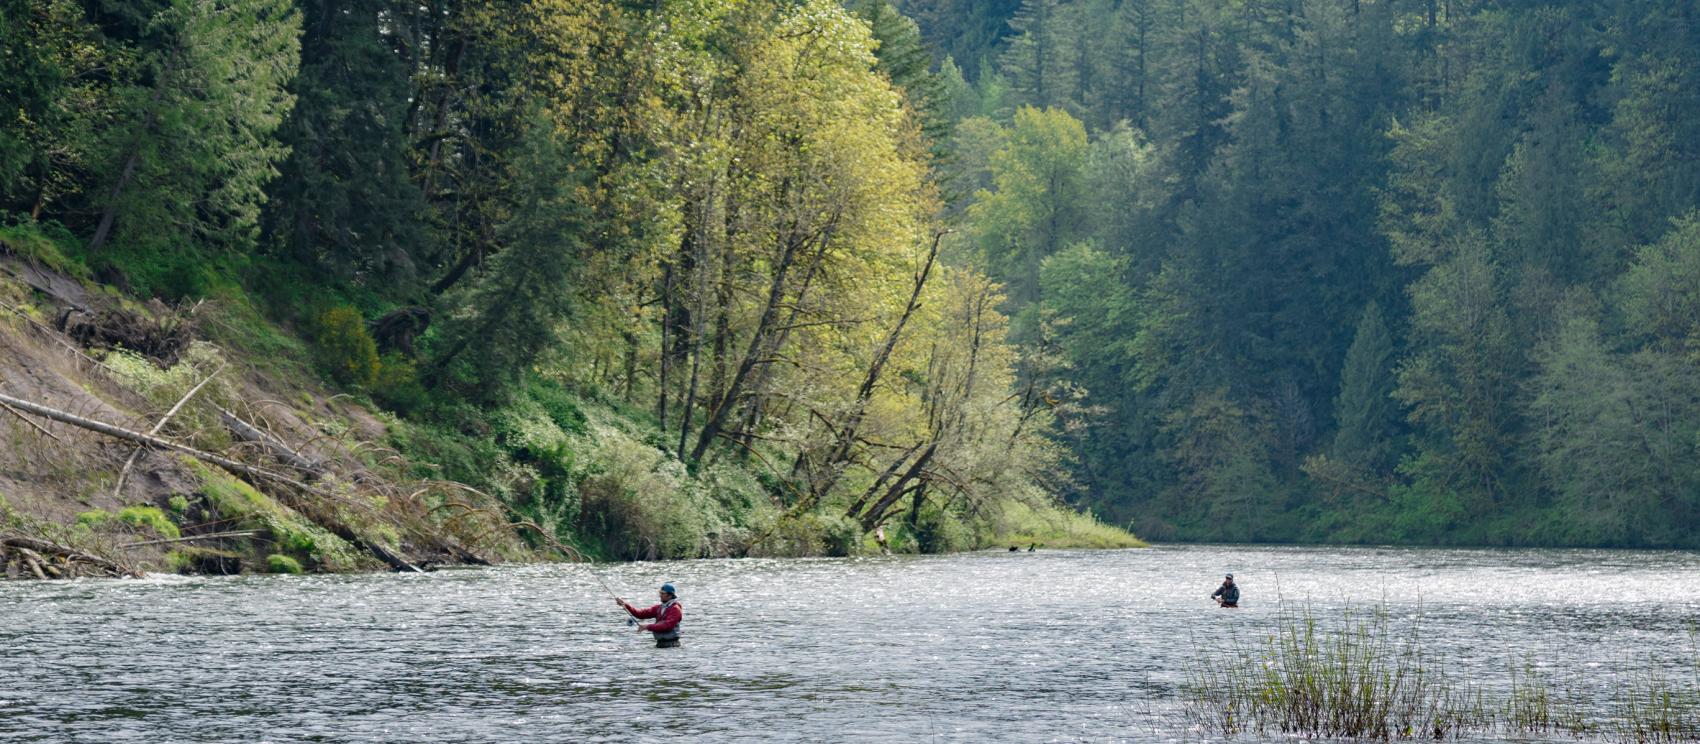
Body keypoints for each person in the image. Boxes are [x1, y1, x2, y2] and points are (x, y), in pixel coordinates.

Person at [617, 583, 683, 648]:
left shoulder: (675, 609)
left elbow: (667, 625)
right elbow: (640, 614)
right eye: (660, 593)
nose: (660, 595)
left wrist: (647, 627)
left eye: (663, 593)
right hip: (660, 644)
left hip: (672, 646)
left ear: (670, 595)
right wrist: (625, 605)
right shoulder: (659, 608)